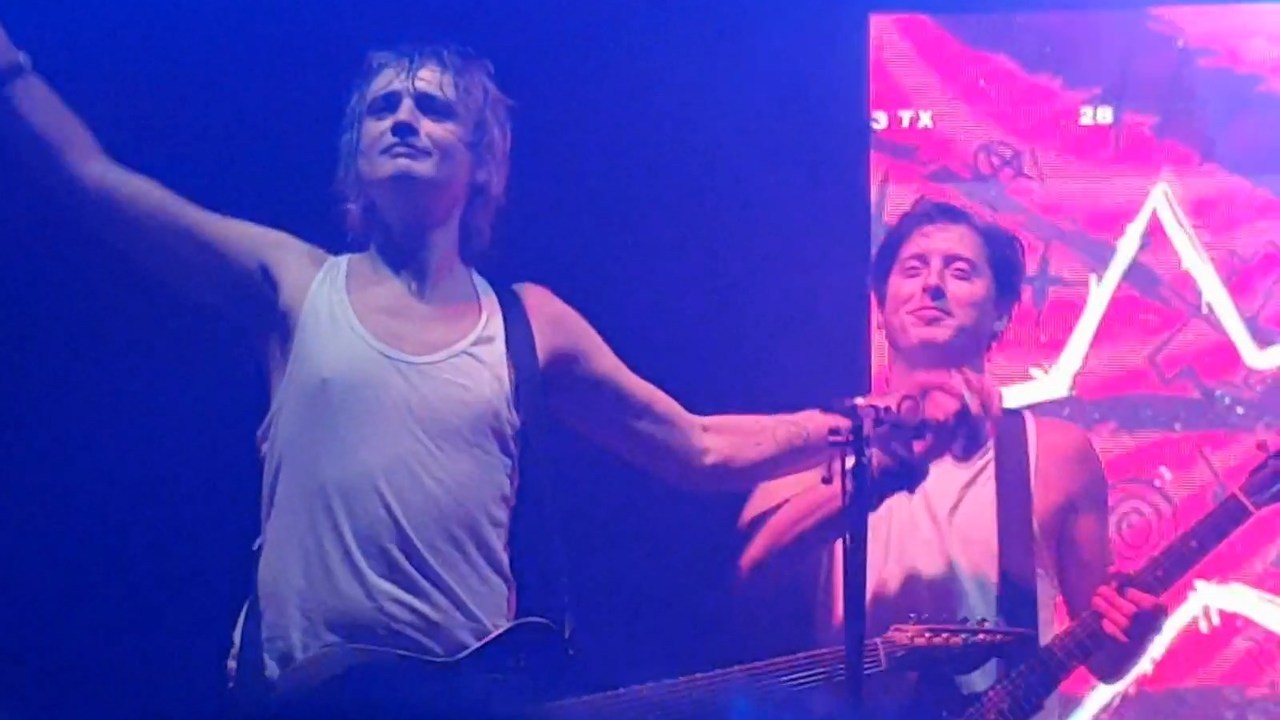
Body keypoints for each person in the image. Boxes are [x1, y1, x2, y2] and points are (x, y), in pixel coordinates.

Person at [0, 28, 851, 720]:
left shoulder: (528, 321)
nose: (403, 119)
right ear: (356, 157)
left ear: (480, 161)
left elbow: (696, 445)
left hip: (467, 696)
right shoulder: (296, 284)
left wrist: (850, 427)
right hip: (306, 695)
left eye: (432, 108)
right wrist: (13, 70)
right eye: (383, 107)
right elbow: (93, 179)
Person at [736, 198, 1166, 719]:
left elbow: (1104, 658)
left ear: (1000, 311)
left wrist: (1134, 632)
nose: (932, 285)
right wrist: (887, 466)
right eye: (913, 269)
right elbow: (751, 575)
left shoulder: (1057, 453)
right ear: (881, 303)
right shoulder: (823, 436)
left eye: (959, 271)